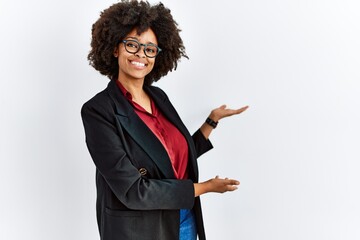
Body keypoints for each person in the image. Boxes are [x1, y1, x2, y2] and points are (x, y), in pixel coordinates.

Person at [81, 1, 248, 240]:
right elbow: (133, 190)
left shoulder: (158, 97)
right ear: (115, 48)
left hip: (182, 217)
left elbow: (169, 158)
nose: (141, 54)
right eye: (132, 44)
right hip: (140, 228)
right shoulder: (98, 111)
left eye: (150, 48)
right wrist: (206, 188)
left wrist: (211, 121)